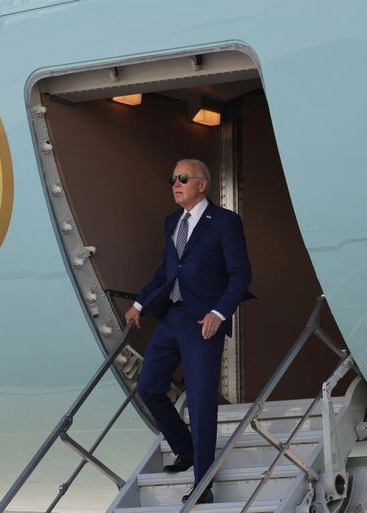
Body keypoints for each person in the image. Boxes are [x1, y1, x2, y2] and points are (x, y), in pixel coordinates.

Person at [125, 158, 252, 504]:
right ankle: (185, 448)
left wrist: (219, 312)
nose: (175, 183)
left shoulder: (225, 222)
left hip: (203, 322)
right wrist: (139, 303)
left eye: (183, 178)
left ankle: (203, 484)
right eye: (172, 178)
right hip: (171, 318)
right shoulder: (172, 222)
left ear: (202, 185)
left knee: (199, 400)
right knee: (149, 387)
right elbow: (166, 272)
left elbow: (241, 275)